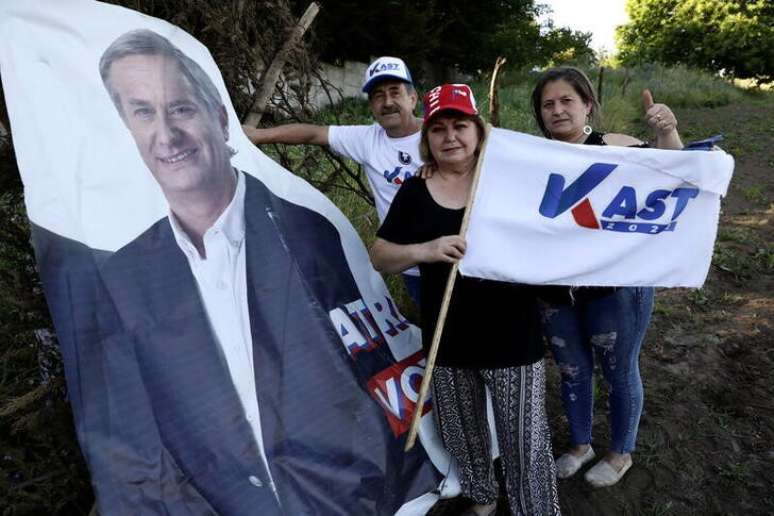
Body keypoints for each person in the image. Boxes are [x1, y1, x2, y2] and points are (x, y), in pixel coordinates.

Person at [72, 28, 442, 514]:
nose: (165, 132)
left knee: (452, 354)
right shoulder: (121, 277)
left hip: (447, 268)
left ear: (217, 117)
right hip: (412, 267)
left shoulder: (310, 229)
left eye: (181, 107)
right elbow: (313, 133)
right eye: (142, 112)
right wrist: (259, 137)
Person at [370, 83, 560, 516]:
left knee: (524, 438)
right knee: (463, 431)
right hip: (448, 338)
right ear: (427, 138)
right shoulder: (416, 190)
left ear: (479, 131)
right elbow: (381, 256)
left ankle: (536, 508)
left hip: (513, 335)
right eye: (439, 129)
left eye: (460, 126)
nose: (450, 137)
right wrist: (426, 250)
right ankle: (481, 495)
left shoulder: (507, 181)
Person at [530, 66, 683, 487]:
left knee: (618, 369)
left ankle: (621, 452)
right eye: (548, 104)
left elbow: (673, 173)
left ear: (587, 105)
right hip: (555, 289)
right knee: (572, 368)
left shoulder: (615, 145)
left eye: (567, 101)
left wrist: (666, 131)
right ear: (540, 114)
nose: (558, 110)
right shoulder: (529, 159)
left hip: (616, 288)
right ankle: (580, 445)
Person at [243, 56, 424, 305]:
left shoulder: (440, 135)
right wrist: (258, 135)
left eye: (396, 92)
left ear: (413, 98)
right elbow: (313, 134)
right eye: (379, 96)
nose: (388, 102)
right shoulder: (368, 140)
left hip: (454, 255)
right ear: (371, 105)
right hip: (409, 263)